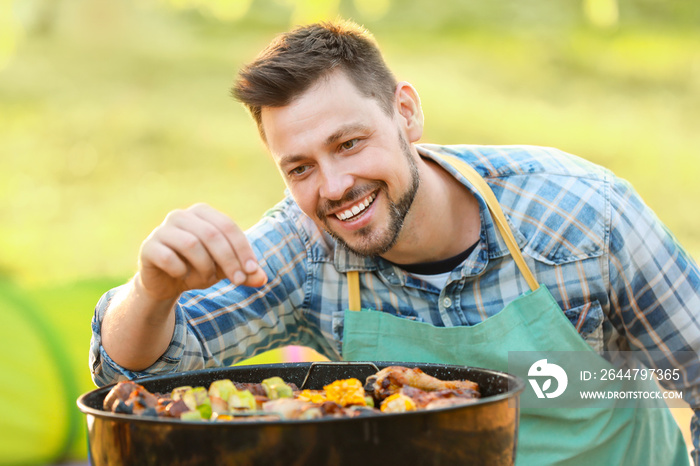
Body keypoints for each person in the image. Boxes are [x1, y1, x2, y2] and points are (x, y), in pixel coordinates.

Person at [90, 20, 700, 465]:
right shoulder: (300, 250)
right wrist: (152, 290)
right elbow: (141, 374)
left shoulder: (582, 216)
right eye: (299, 167)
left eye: (349, 144)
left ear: (405, 113)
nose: (333, 187)